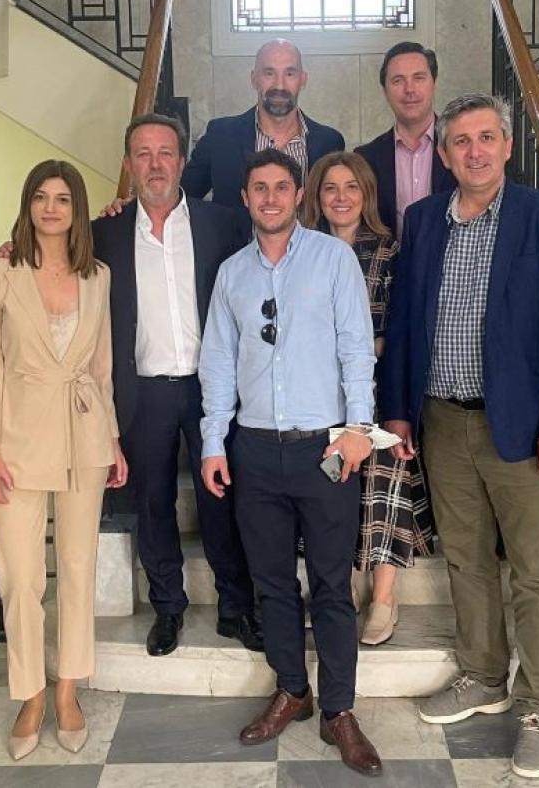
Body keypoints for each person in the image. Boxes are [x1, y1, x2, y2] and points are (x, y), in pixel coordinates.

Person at [380, 93, 539, 780]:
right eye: (460, 141)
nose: (474, 151)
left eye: (486, 138)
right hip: (443, 421)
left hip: (527, 430)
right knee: (466, 560)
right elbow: (406, 323)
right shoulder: (423, 221)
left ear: (506, 145)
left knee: (535, 573)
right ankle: (482, 676)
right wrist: (399, 411)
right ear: (443, 155)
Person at [200, 147, 383, 777]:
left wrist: (357, 430)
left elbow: (356, 348)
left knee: (331, 583)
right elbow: (217, 362)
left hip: (324, 449)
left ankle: (339, 709)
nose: (271, 198)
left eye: (282, 187)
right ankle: (292, 690)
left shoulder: (332, 259)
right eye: (260, 188)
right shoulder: (232, 274)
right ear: (245, 198)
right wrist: (213, 441)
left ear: (299, 194)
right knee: (273, 582)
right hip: (254, 449)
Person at [0, 160, 127, 760]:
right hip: (14, 441)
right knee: (21, 576)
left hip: (85, 434)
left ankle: (67, 690)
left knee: (79, 567)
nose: (51, 208)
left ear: (77, 209)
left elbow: (102, 366)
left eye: (63, 198)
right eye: (41, 197)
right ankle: (30, 693)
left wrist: (113, 439)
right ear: (28, 204)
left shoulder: (98, 275)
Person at [91, 113, 260, 658]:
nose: (155, 164)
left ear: (183, 161)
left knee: (222, 497)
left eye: (165, 152)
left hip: (214, 388)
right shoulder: (104, 233)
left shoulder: (222, 224)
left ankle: (236, 607)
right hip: (142, 389)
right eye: (143, 153)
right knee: (152, 502)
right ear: (128, 164)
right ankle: (167, 607)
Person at [301, 151, 434, 646]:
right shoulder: (302, 250)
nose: (341, 197)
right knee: (328, 491)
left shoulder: (389, 250)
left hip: (378, 391)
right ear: (317, 196)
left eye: (351, 187)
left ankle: (382, 598)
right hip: (317, 392)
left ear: (366, 194)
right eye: (330, 187)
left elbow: (398, 331)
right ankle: (335, 586)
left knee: (382, 484)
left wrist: (363, 349)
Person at [181, 39, 344, 218]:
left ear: (302, 79)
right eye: (269, 73)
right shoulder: (220, 136)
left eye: (290, 73)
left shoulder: (329, 142)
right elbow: (181, 199)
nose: (279, 85)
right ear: (254, 79)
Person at [355, 42, 456, 238]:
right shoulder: (365, 158)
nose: (409, 89)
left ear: (434, 83)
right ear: (385, 91)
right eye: (398, 81)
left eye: (419, 78)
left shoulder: (460, 148)